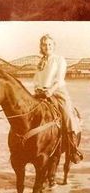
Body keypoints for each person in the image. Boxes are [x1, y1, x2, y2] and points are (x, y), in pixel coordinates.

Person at [33, 34, 83, 164]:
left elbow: (60, 79)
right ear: (41, 47)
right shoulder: (40, 62)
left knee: (67, 116)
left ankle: (73, 148)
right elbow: (37, 79)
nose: (47, 47)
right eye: (44, 44)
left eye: (50, 44)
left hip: (57, 92)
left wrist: (50, 90)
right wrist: (38, 88)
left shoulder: (59, 60)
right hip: (41, 92)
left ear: (54, 46)